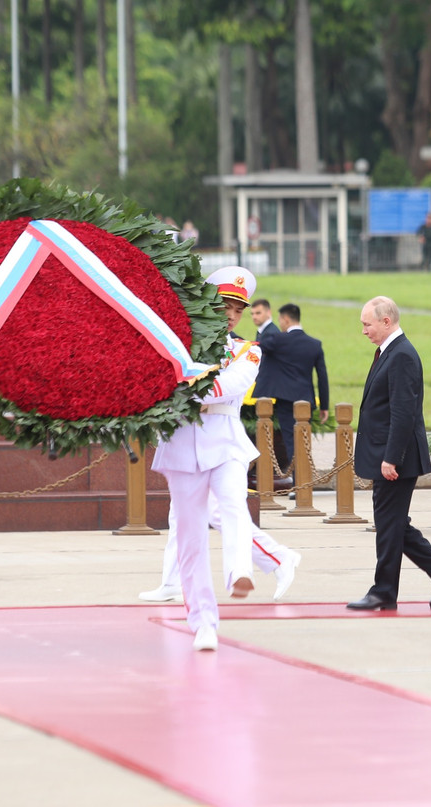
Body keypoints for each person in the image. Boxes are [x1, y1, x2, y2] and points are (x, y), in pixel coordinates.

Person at [147, 267, 299, 651]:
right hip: (182, 445)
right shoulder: (178, 344)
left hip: (225, 440)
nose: (231, 315)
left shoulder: (248, 350)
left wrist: (180, 385)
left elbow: (226, 387)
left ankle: (239, 572)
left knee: (233, 504)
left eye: (238, 309)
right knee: (190, 538)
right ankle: (203, 622)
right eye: (223, 306)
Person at [347, 296, 431, 611]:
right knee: (394, 523)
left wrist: (391, 458)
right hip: (389, 455)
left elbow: (403, 412)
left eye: (367, 324)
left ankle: (384, 591)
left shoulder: (401, 356)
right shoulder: (391, 351)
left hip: (395, 459)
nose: (364, 331)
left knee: (389, 525)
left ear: (386, 321)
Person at [254, 303, 330, 468]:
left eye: (280, 320)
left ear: (286, 319)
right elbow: (322, 377)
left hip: (286, 400)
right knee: (304, 441)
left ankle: (298, 480)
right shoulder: (314, 344)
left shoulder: (278, 340)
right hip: (306, 400)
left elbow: (257, 349)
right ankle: (304, 478)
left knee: (291, 441)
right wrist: (324, 406)